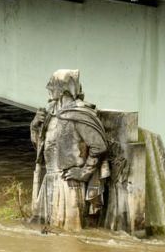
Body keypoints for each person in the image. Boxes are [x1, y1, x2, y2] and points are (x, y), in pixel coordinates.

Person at [29, 70, 108, 231]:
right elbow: (43, 148)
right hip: (49, 179)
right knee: (44, 231)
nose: (49, 89)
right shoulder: (51, 113)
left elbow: (99, 146)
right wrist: (35, 126)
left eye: (53, 85)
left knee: (69, 236)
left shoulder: (79, 114)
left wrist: (84, 172)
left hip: (68, 183)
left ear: (63, 88)